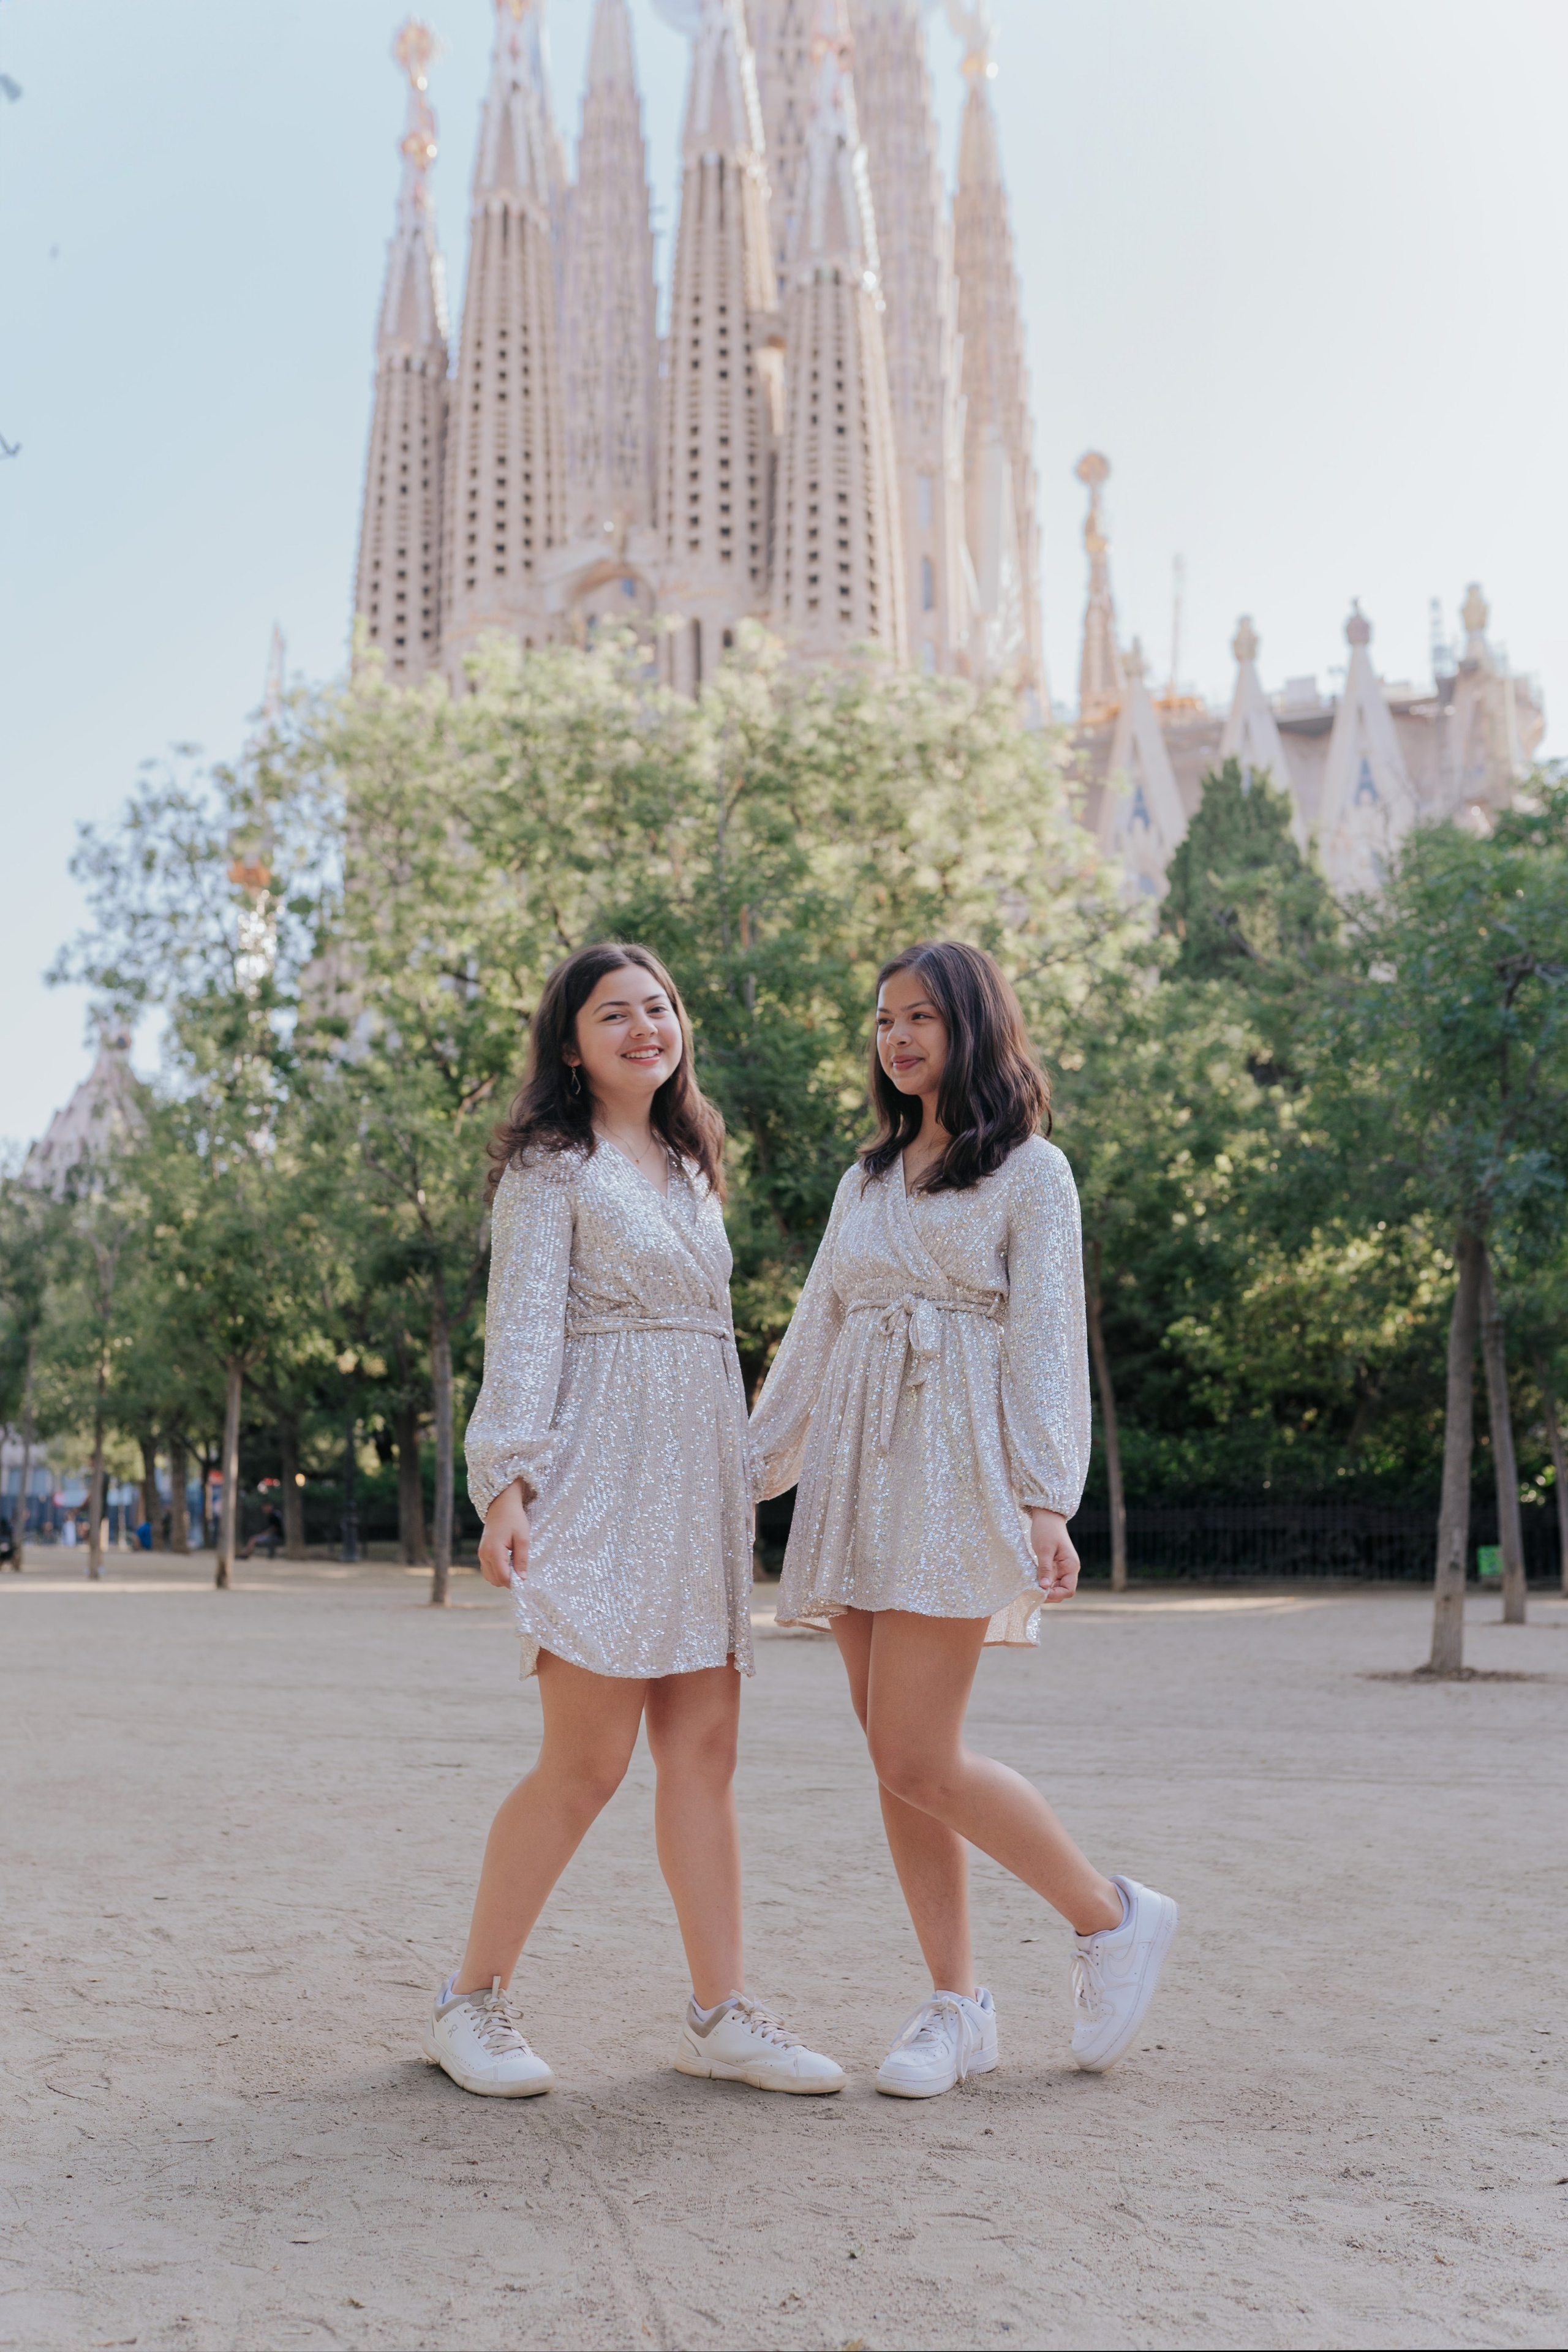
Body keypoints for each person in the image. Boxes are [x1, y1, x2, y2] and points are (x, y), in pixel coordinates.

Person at [750, 941, 1177, 2099]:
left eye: (923, 1018)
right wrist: (748, 1466)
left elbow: (1045, 1340)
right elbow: (816, 1328)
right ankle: (959, 2005)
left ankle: (1110, 1915)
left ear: (973, 1027)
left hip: (952, 1472)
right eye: (885, 1020)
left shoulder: (1034, 1173)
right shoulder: (866, 1179)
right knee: (897, 1766)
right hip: (853, 1470)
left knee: (916, 1752)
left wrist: (1048, 1496)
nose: (898, 1038)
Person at [426, 942, 843, 2100]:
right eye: (616, 1014)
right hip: (598, 1473)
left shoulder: (692, 1160)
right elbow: (522, 1331)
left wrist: (752, 1460)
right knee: (586, 1761)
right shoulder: (548, 1169)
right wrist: (504, 1481)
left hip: (696, 1480)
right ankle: (471, 2002)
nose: (646, 1027)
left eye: (659, 1007)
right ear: (571, 1044)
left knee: (704, 1757)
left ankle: (721, 2013)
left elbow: (716, 1337)